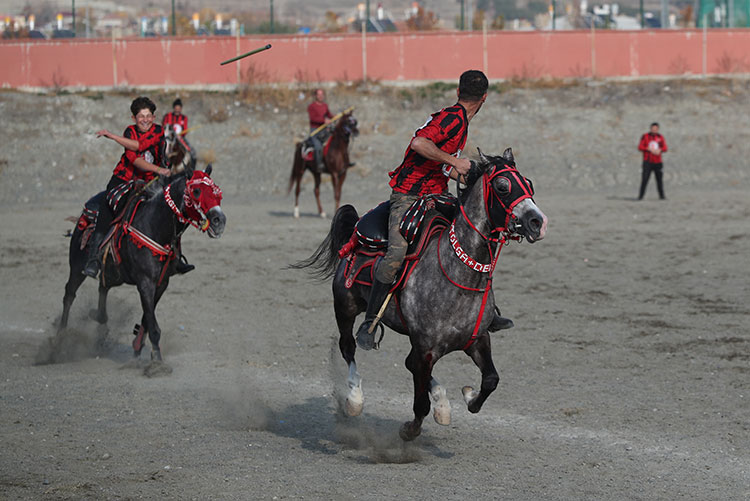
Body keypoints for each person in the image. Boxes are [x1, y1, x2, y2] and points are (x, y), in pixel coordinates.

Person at [355, 70, 512, 351]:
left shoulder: (460, 121)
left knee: (476, 238)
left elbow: (437, 164)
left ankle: (489, 311)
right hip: (408, 195)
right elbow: (419, 143)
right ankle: (369, 322)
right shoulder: (452, 118)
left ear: (458, 90)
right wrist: (455, 160)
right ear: (485, 97)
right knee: (396, 253)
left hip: (436, 194)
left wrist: (461, 173)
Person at [84, 96, 192, 278]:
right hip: (123, 180)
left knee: (172, 212)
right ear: (133, 118)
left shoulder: (158, 131)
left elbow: (141, 145)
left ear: (154, 116)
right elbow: (135, 158)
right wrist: (158, 169)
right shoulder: (129, 132)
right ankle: (94, 259)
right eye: (141, 116)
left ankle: (175, 258)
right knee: (107, 210)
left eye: (148, 115)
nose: (145, 120)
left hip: (151, 181)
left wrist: (111, 136)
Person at [637, 122, 668, 200]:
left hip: (658, 161)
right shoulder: (645, 136)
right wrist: (648, 148)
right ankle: (641, 196)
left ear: (658, 129)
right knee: (645, 179)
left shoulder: (660, 137)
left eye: (655, 129)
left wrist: (660, 150)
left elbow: (665, 148)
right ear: (650, 129)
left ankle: (662, 196)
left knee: (659, 180)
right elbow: (640, 147)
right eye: (652, 129)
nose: (654, 130)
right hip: (648, 161)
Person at [307, 89, 333, 172]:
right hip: (315, 131)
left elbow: (329, 115)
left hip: (324, 130)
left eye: (322, 94)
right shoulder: (311, 106)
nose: (321, 96)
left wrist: (337, 117)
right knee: (318, 147)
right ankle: (319, 165)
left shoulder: (325, 105)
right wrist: (324, 120)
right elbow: (313, 118)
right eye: (319, 94)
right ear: (315, 96)